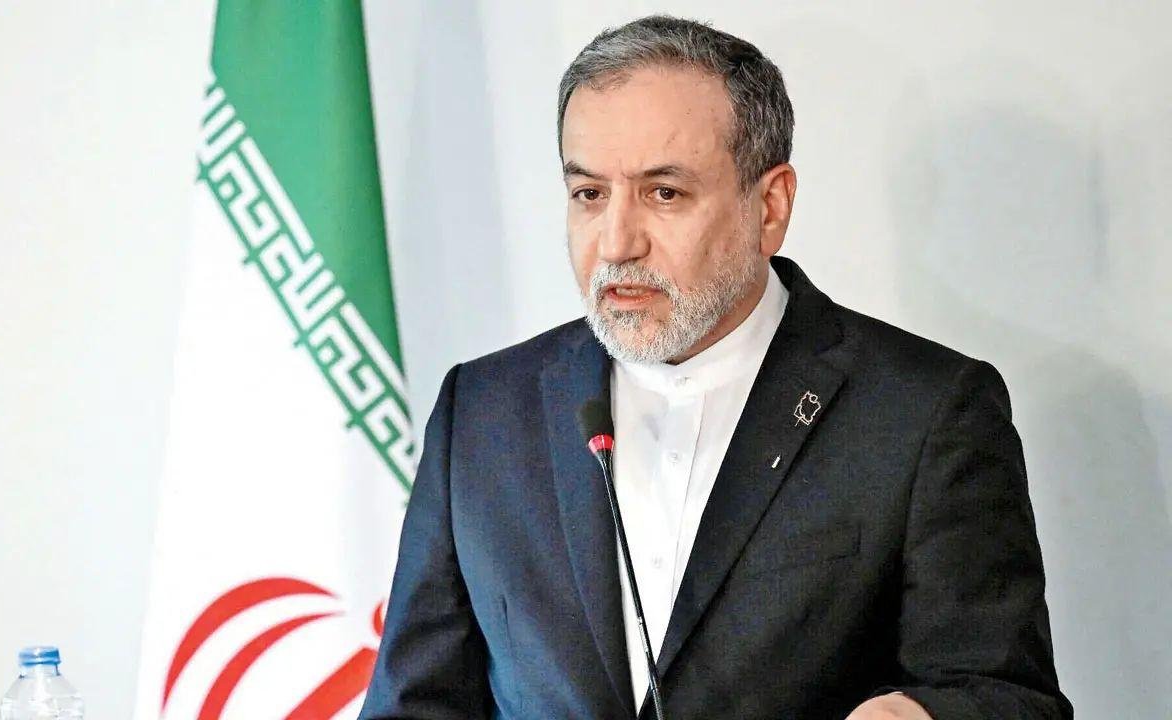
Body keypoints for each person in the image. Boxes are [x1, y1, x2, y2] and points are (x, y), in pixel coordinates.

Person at [359, 14, 1071, 720]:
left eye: (664, 193)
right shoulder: (484, 411)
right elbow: (413, 705)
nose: (617, 243)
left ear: (770, 207)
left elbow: (1008, 696)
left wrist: (917, 716)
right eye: (589, 195)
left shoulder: (924, 412)